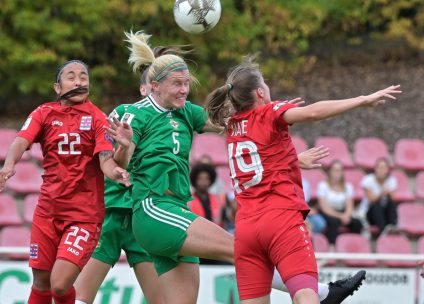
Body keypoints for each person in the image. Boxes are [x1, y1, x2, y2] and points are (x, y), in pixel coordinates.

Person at [106, 31, 371, 304]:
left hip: (176, 213)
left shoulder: (185, 111)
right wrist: (124, 147)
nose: (184, 90)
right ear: (154, 85)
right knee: (244, 251)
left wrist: (284, 153)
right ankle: (322, 293)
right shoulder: (134, 113)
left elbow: (240, 129)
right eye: (177, 84)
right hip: (155, 210)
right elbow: (120, 165)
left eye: (187, 83)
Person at [204, 57, 401, 304]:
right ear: (260, 92)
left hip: (246, 229)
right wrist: (363, 100)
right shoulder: (269, 113)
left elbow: (258, 164)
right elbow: (315, 112)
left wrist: (291, 160)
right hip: (280, 220)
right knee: (306, 296)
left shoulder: (232, 126)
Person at [0, 60, 130, 304]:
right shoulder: (43, 113)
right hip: (47, 213)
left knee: (59, 285)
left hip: (83, 216)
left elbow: (105, 161)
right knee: (41, 282)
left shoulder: (98, 119)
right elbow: (21, 139)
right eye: (71, 76)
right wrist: (9, 164)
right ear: (57, 87)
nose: (79, 81)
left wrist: (117, 173)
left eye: (83, 77)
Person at [74, 35, 192, 304]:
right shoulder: (126, 114)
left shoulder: (176, 120)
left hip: (145, 216)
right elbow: (111, 160)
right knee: (80, 296)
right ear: (146, 89)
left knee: (161, 300)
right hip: (112, 211)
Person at [317, 160, 363, 248]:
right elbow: (324, 208)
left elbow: (350, 206)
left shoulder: (348, 186)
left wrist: (346, 215)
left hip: (342, 211)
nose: (337, 173)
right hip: (327, 212)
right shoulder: (323, 186)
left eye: (339, 170)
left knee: (357, 223)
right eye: (335, 170)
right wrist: (340, 216)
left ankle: (354, 246)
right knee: (334, 222)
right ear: (330, 172)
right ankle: (332, 247)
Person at [360, 157, 398, 233]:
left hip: (384, 213)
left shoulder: (391, 180)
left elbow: (394, 199)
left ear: (387, 170)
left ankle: (392, 227)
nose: (381, 170)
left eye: (384, 168)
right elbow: (371, 200)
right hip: (370, 213)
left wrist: (389, 193)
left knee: (391, 204)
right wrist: (381, 193)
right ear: (375, 169)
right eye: (380, 167)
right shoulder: (368, 179)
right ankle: (384, 231)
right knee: (376, 205)